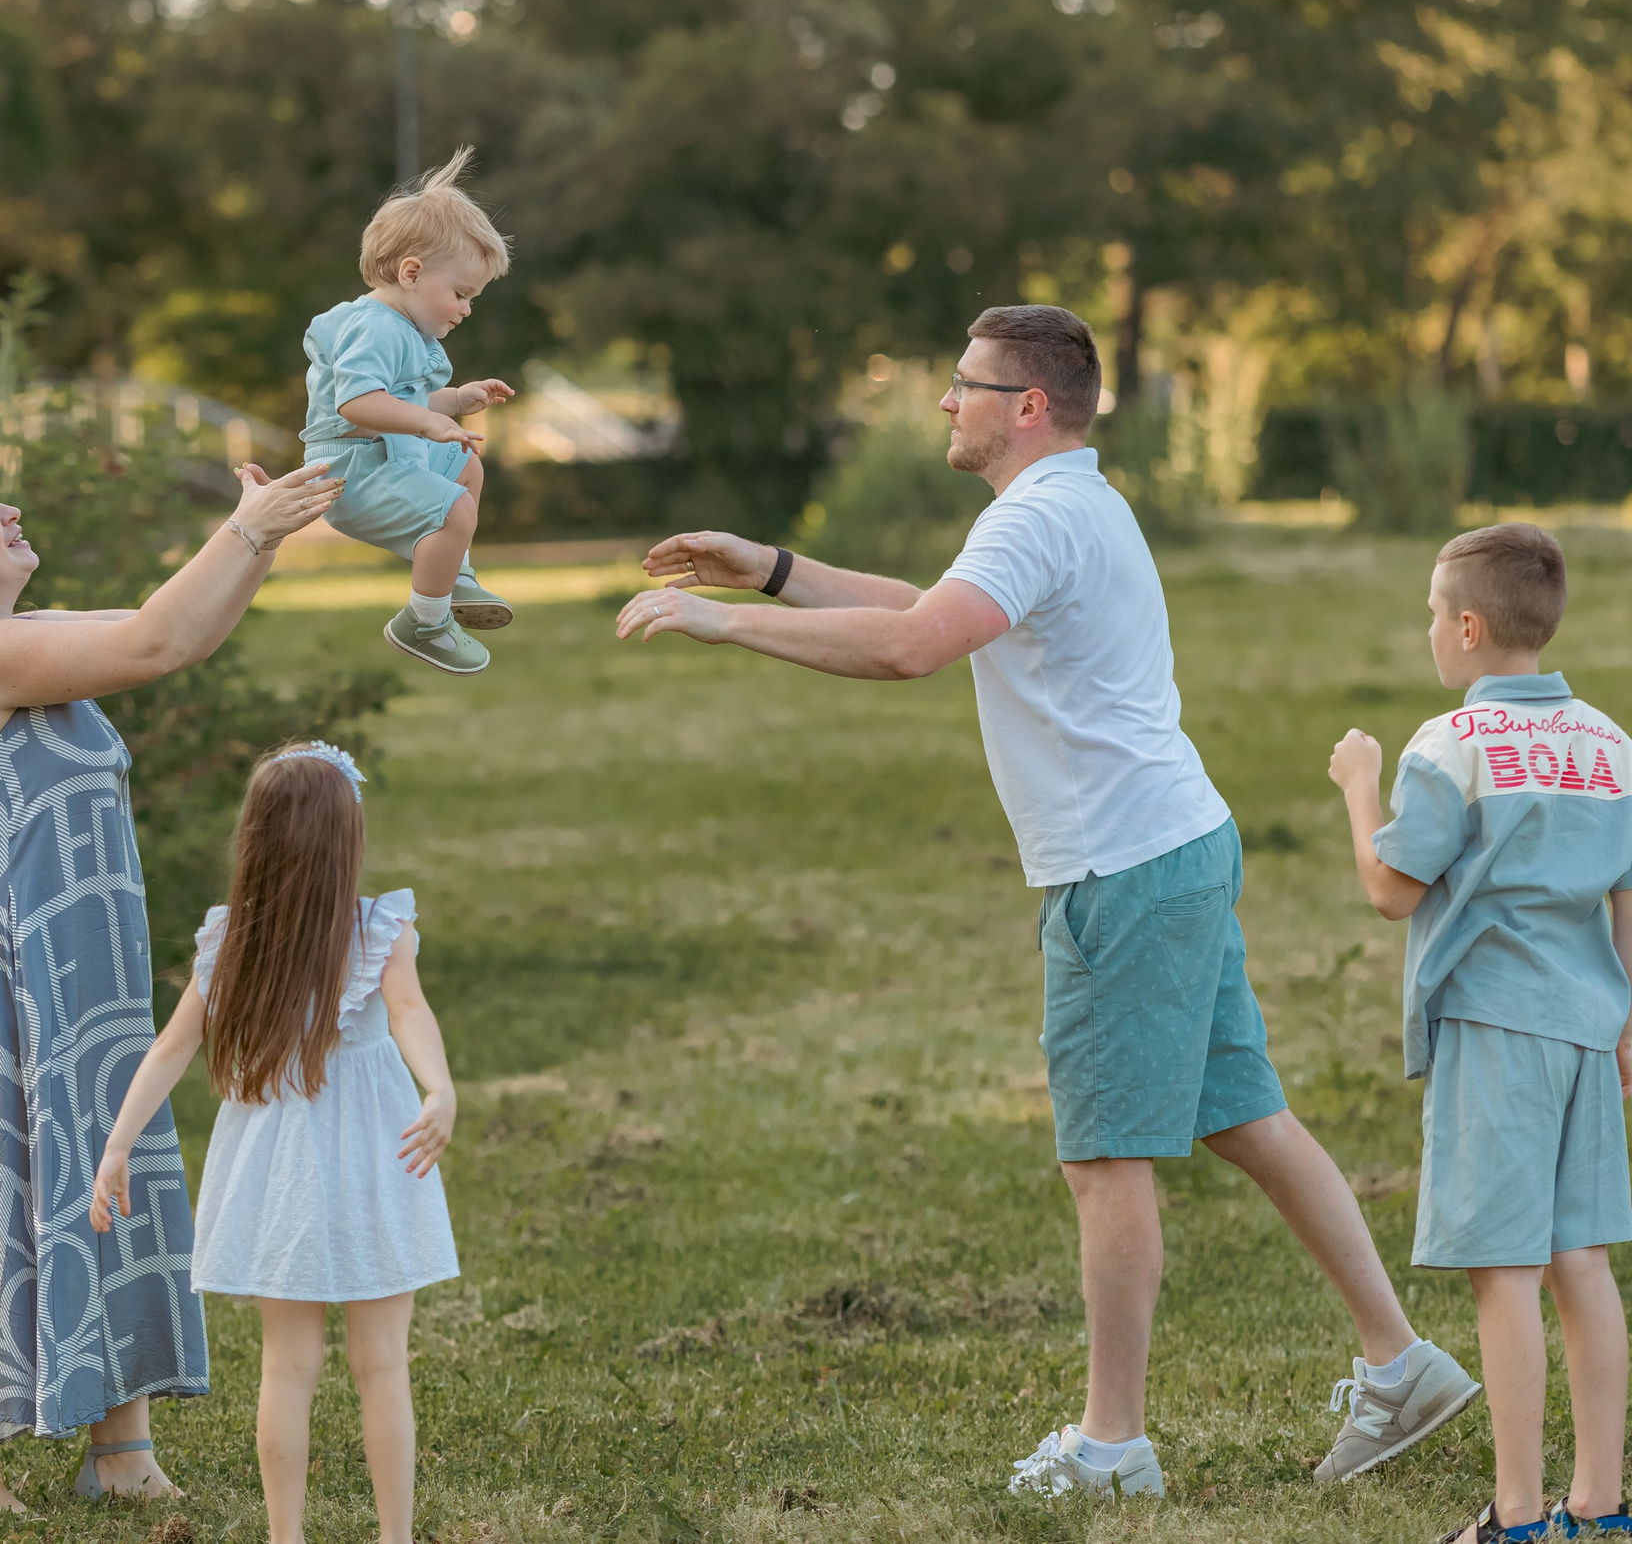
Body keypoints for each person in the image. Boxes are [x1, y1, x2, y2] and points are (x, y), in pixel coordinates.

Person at [613, 303, 1475, 1498]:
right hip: (1172, 847)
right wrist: (769, 567)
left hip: (1121, 872)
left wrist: (722, 621)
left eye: (961, 384)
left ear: (1024, 405)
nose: (944, 401)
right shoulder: (1065, 504)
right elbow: (935, 607)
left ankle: (1112, 1448)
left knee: (1105, 1162)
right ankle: (1402, 1364)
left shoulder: (1040, 515)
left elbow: (913, 645)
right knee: (1246, 1118)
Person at [0, 457, 342, 1512]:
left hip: (81, 963)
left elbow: (173, 632)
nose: (12, 512)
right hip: (2, 970)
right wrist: (250, 529)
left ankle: (120, 1450)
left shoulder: (21, 642)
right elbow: (154, 643)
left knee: (104, 1166)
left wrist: (258, 534)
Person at [1325, 524, 1632, 1544]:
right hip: (1589, 1030)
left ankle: (1516, 1516)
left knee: (1501, 1272)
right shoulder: (1610, 745)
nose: (1427, 631)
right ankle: (1599, 1505)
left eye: (1430, 614)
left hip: (1494, 1030)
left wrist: (1358, 784)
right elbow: (1627, 899)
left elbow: (1391, 888)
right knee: (1581, 1263)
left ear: (1467, 627)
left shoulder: (1446, 745)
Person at [90, 741, 460, 1544]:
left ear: (255, 839)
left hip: (279, 1169)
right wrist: (438, 1085)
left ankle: (285, 1537)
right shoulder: (380, 929)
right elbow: (409, 1012)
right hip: (372, 1159)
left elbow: (171, 1048)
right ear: (348, 840)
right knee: (381, 1363)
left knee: (287, 1367)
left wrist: (118, 1144)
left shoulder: (233, 942)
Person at [300, 145, 517, 677]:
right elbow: (356, 403)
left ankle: (453, 575)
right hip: (353, 470)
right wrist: (426, 421)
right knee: (454, 508)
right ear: (412, 272)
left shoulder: (404, 330)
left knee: (466, 468)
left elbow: (401, 402)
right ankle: (424, 621)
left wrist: (455, 400)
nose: (467, 309)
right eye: (461, 293)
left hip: (387, 455)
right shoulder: (376, 326)